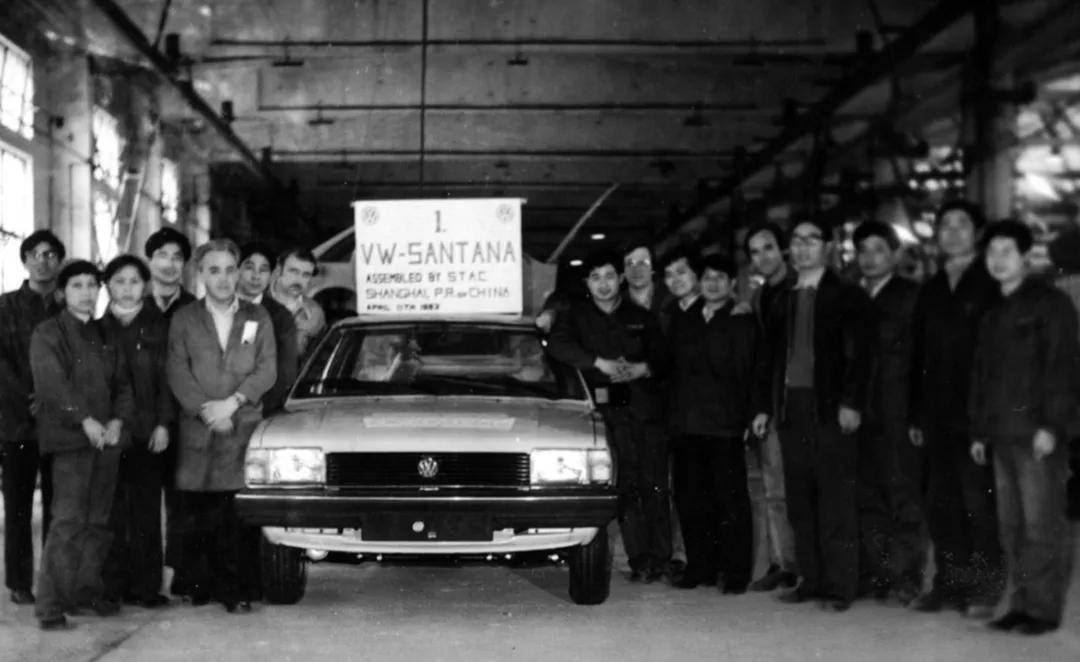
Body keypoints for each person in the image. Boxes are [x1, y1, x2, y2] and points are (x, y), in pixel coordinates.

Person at [751, 216, 870, 612]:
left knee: (835, 499)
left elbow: (859, 355)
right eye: (797, 241)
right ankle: (811, 580)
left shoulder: (847, 296)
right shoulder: (785, 298)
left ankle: (840, 587)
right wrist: (764, 407)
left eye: (811, 240)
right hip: (791, 409)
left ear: (828, 246)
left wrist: (851, 402)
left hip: (830, 408)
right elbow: (769, 359)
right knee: (800, 500)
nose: (802, 248)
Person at [970, 220, 1078, 635]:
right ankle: (1020, 604)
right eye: (991, 252)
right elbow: (982, 375)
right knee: (1011, 526)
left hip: (1036, 434)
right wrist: (979, 431)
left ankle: (1043, 610)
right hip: (1001, 433)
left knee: (1041, 524)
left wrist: (1052, 426)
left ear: (1026, 256)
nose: (997, 260)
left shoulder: (1050, 304)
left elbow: (1062, 368)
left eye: (1007, 252)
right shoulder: (993, 309)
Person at [547, 248, 671, 582]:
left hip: (645, 409)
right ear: (587, 282)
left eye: (609, 276)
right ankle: (640, 560)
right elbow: (557, 345)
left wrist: (642, 368)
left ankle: (662, 558)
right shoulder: (576, 317)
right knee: (624, 486)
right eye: (595, 277)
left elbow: (664, 355)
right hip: (606, 413)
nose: (603, 284)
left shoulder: (641, 317)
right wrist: (598, 363)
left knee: (655, 484)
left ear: (621, 279)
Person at [167, 239, 276, 613]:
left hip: (241, 424)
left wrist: (232, 404)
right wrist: (206, 411)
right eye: (214, 270)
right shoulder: (184, 318)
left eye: (230, 269)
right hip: (198, 426)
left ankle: (238, 590)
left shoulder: (258, 317)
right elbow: (177, 370)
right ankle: (198, 585)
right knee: (197, 509)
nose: (224, 278)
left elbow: (266, 369)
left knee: (236, 512)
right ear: (200, 274)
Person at [909, 200, 1005, 618]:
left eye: (961, 224)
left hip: (977, 413)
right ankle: (949, 584)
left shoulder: (991, 283)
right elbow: (918, 354)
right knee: (941, 503)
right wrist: (916, 413)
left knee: (978, 504)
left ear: (978, 233)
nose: (951, 231)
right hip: (936, 416)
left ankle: (984, 588)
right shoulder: (931, 288)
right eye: (944, 224)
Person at [30, 260, 134, 630]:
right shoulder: (48, 333)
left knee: (98, 521)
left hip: (107, 440)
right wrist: (85, 420)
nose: (87, 292)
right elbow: (52, 385)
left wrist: (118, 421)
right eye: (77, 285)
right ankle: (50, 606)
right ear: (62, 293)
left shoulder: (107, 333)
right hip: (71, 442)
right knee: (69, 521)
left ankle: (84, 593)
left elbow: (123, 384)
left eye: (93, 285)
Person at [665, 252, 756, 592]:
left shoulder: (741, 319)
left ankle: (735, 574)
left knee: (729, 501)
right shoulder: (685, 317)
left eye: (720, 278)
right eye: (707, 277)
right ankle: (700, 567)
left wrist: (749, 415)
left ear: (732, 283)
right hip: (686, 424)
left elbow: (750, 370)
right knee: (691, 500)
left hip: (724, 425)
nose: (713, 284)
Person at [852, 221, 924, 604]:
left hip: (898, 409)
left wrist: (917, 415)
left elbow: (924, 360)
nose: (870, 258)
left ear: (895, 254)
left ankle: (906, 576)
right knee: (867, 496)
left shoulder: (912, 297)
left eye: (878, 249)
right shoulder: (852, 297)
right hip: (858, 411)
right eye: (863, 250)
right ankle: (878, 574)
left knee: (903, 494)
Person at [100, 255, 173, 609]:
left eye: (134, 281)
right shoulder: (97, 328)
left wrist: (163, 423)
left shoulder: (159, 327)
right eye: (119, 281)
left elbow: (168, 380)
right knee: (111, 512)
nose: (127, 288)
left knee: (146, 512)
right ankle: (111, 588)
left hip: (147, 431)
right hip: (111, 433)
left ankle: (146, 588)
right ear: (108, 286)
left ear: (145, 286)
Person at [0, 230, 64, 606]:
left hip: (59, 424)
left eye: (51, 254)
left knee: (59, 507)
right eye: (36, 254)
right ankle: (20, 583)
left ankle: (54, 580)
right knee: (18, 506)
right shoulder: (5, 306)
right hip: (16, 422)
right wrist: (28, 398)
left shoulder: (67, 307)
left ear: (59, 262)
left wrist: (51, 400)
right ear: (25, 260)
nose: (43, 260)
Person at [742, 222, 799, 592]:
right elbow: (764, 358)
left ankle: (811, 565)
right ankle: (784, 564)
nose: (762, 257)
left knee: (805, 489)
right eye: (755, 252)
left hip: (803, 403)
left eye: (767, 248)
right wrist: (761, 407)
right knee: (775, 490)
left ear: (783, 250)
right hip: (774, 405)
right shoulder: (762, 297)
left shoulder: (802, 289)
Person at [144, 226, 196, 595]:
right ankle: (145, 580)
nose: (169, 263)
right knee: (142, 503)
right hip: (142, 422)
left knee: (183, 503)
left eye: (177, 257)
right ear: (150, 260)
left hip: (185, 421)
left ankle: (181, 577)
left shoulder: (195, 309)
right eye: (162, 255)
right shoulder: (133, 304)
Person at [238, 242, 300, 415]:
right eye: (249, 268)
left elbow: (286, 373)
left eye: (263, 270)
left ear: (272, 275)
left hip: (261, 410)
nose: (256, 276)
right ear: (236, 270)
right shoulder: (217, 308)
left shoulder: (280, 317)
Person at [270, 247, 326, 357]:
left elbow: (317, 359)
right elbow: (244, 346)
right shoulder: (256, 302)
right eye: (294, 272)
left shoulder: (315, 313)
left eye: (306, 275)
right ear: (278, 270)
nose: (299, 280)